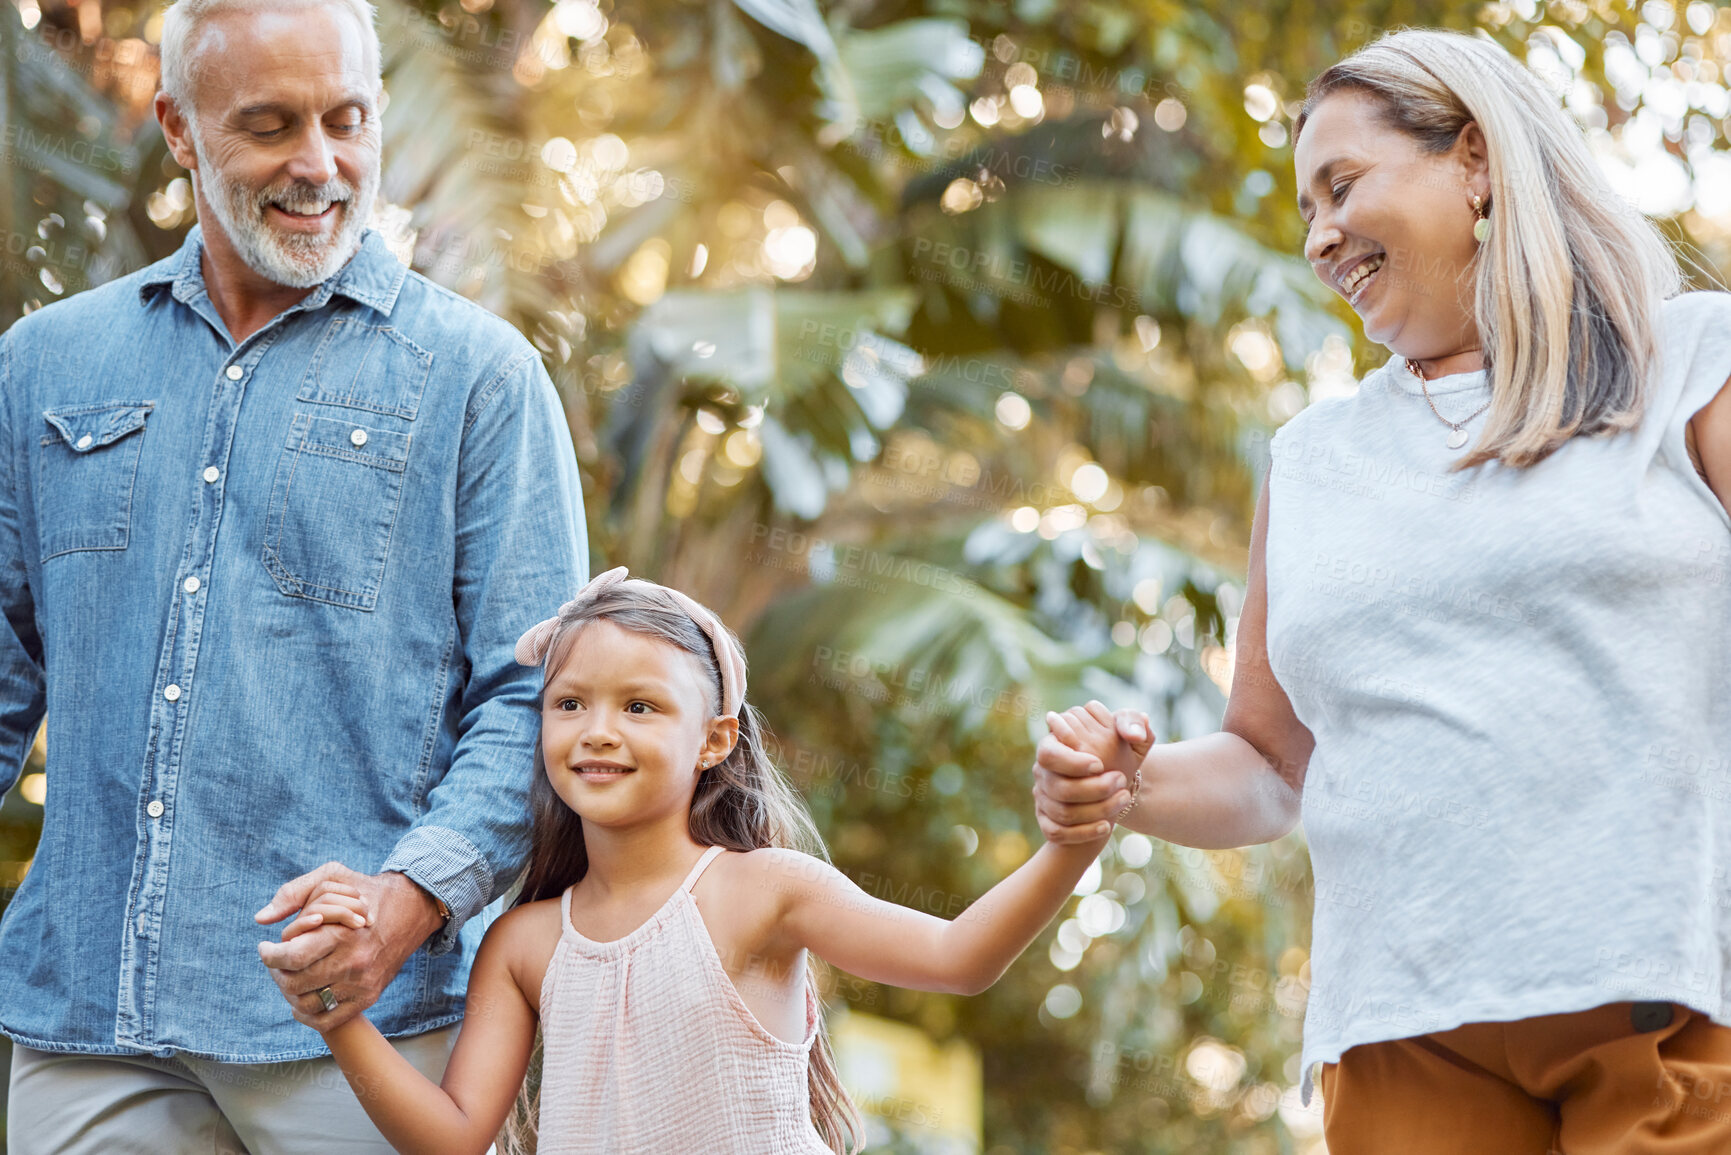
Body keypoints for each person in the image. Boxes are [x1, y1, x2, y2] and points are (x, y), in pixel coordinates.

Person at [1032, 27, 1731, 1155]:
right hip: (1405, 1032)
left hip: (1675, 994)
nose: (1320, 237)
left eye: (1342, 187)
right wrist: (1132, 784)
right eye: (1305, 212)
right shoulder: (1314, 459)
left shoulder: (1688, 362)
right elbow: (1269, 767)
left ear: (1475, 159)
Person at [0, 0, 587, 1150]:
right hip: (91, 1018)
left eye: (346, 121)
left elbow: (536, 697)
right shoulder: (42, 367)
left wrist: (404, 907)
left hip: (371, 1028)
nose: (316, 165)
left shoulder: (480, 379)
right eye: (267, 126)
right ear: (178, 127)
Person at [266, 567, 1112, 1154]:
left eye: (639, 704)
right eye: (570, 703)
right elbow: (455, 1136)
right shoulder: (523, 943)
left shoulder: (761, 891)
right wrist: (338, 1011)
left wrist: (1072, 844)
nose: (598, 729)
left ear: (713, 739)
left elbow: (957, 958)